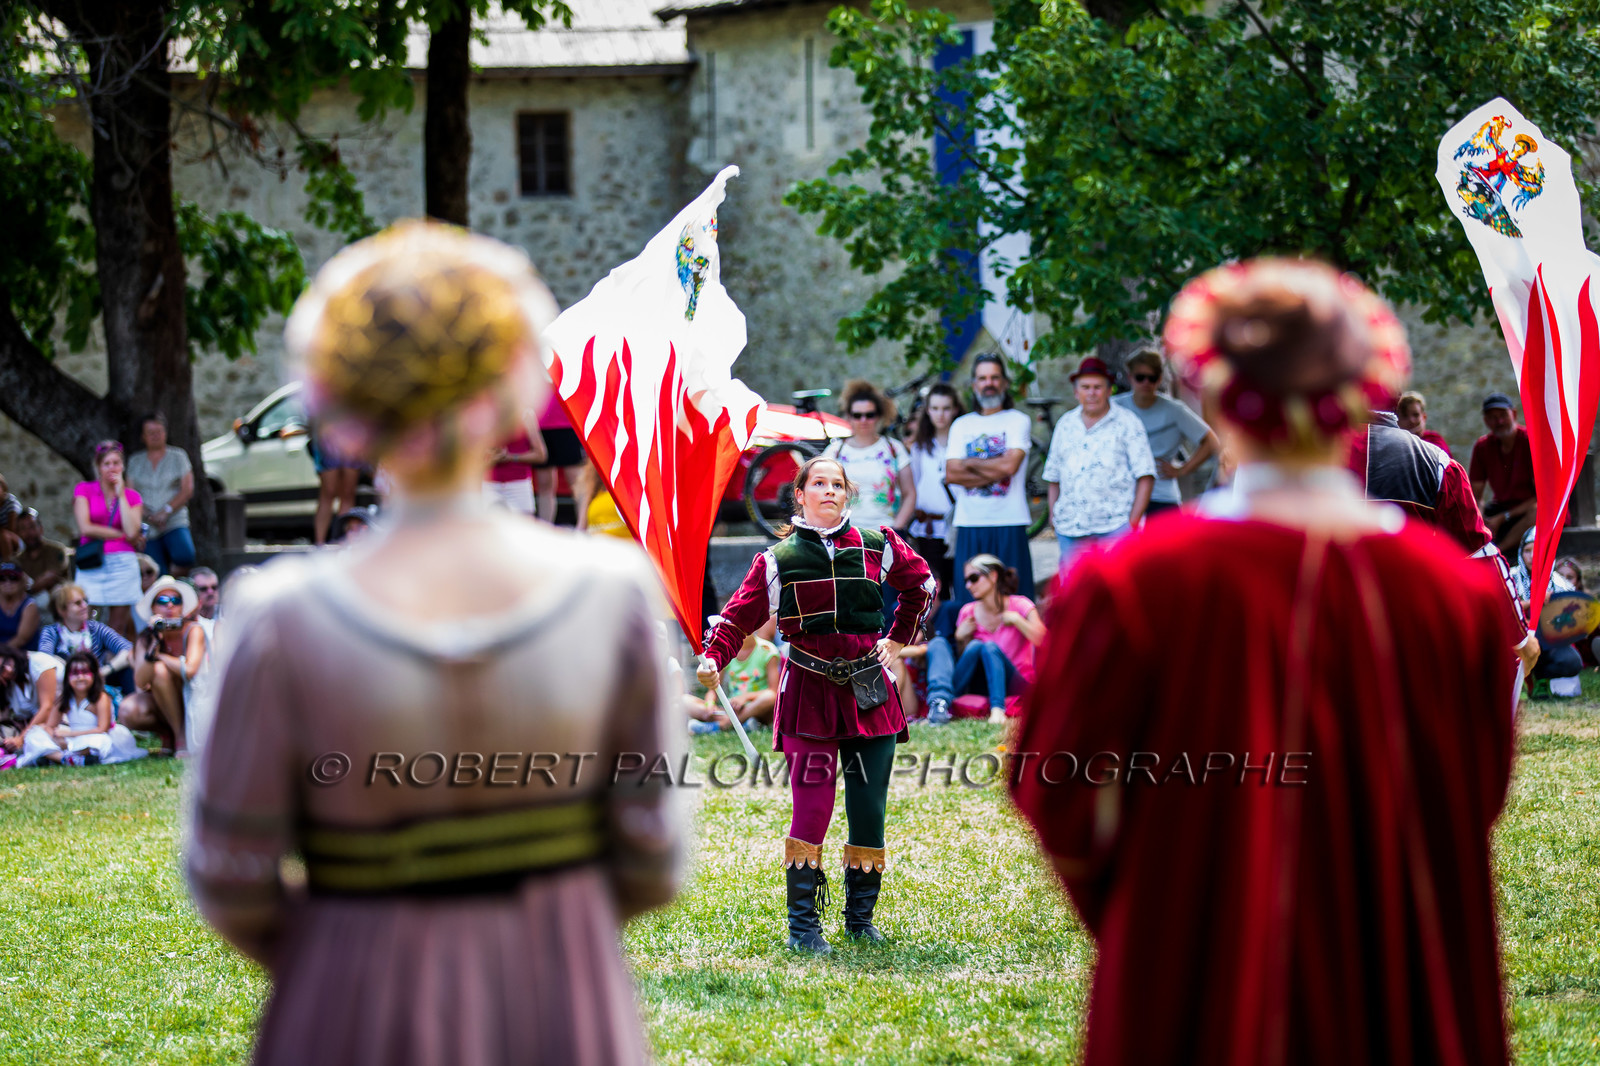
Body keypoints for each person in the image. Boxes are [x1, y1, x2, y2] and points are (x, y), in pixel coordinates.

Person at [187, 221, 682, 1066]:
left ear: (340, 405)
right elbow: (651, 860)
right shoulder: (611, 597)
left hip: (348, 1017)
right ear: (512, 389)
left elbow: (232, 875)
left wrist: (363, 944)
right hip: (561, 1009)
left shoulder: (279, 619)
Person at [1012, 258, 1518, 1066]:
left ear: (1214, 399)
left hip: (1197, 971)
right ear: (1358, 392)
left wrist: (1153, 908)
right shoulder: (1452, 597)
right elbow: (1474, 790)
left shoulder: (1130, 585)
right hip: (1397, 972)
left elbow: (1055, 784)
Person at [698, 456, 934, 953]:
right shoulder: (776, 559)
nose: (829, 491)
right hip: (808, 690)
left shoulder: (879, 544)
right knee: (812, 810)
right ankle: (803, 927)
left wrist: (897, 639)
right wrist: (713, 658)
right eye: (818, 484)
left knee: (869, 808)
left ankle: (859, 919)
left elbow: (923, 586)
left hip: (870, 690)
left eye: (837, 484)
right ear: (800, 495)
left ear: (847, 494)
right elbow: (736, 618)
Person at [1347, 404, 1537, 672]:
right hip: (1410, 634)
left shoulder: (1303, 461)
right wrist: (1520, 637)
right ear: (1398, 396)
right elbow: (1480, 556)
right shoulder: (1435, 461)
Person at [1043, 356, 1156, 572]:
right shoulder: (1065, 423)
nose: (1092, 393)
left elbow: (1146, 475)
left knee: (1118, 593)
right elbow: (1054, 476)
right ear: (1076, 392)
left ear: (1109, 390)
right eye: (1085, 387)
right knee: (1075, 595)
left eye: (1097, 387)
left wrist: (1132, 523)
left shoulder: (1128, 422)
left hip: (1114, 528)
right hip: (1070, 528)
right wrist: (1053, 514)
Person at [945, 354, 1035, 605]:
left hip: (1010, 521)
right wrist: (996, 469)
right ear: (974, 385)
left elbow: (1010, 466)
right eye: (983, 378)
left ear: (1005, 383)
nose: (989, 383)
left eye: (995, 377)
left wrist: (971, 463)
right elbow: (952, 473)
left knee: (1015, 597)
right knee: (970, 600)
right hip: (970, 522)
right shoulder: (961, 425)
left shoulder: (1018, 420)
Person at [922, 554, 1044, 725]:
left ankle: (997, 710)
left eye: (974, 578)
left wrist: (1018, 621)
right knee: (977, 646)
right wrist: (960, 639)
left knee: (989, 647)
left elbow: (1044, 642)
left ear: (993, 576)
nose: (968, 586)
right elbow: (968, 663)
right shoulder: (967, 612)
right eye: (966, 580)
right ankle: (941, 706)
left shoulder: (1020, 604)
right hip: (981, 683)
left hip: (1016, 681)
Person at [1112, 349, 1220, 516]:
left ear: (1160, 379)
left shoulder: (1174, 410)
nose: (1146, 383)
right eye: (1140, 377)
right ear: (1130, 377)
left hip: (1161, 494)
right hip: (1122, 494)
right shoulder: (1115, 407)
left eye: (1152, 378)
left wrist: (1182, 470)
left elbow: (1211, 441)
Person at [117, 576, 206, 757]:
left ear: (182, 607)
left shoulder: (193, 630)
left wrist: (161, 657)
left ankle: (180, 737)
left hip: (194, 699)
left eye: (176, 600)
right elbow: (141, 682)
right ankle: (171, 733)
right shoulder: (146, 638)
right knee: (128, 710)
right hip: (162, 702)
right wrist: (154, 643)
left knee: (159, 669)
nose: (170, 606)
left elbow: (189, 670)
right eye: (163, 601)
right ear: (153, 608)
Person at [14, 649, 145, 767]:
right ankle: (64, 758)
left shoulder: (100, 698)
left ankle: (53, 756)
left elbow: (102, 729)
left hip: (96, 736)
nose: (80, 677)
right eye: (75, 673)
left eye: (85, 672)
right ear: (67, 677)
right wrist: (50, 733)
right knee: (34, 734)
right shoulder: (64, 699)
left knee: (99, 743)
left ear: (94, 675)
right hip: (72, 739)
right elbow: (50, 726)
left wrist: (70, 734)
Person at [72, 442, 144, 642]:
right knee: (84, 615)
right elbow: (85, 527)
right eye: (107, 464)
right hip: (92, 561)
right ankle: (87, 658)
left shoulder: (132, 496)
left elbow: (131, 531)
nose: (112, 468)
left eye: (116, 463)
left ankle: (109, 663)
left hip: (122, 562)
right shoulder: (84, 489)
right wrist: (117, 534)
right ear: (98, 467)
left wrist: (121, 494)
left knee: (118, 623)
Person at [823, 380, 916, 534]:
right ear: (848, 416)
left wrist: (897, 529)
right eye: (857, 415)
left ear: (879, 416)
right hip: (844, 534)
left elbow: (910, 493)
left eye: (869, 415)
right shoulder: (834, 452)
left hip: (884, 533)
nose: (863, 420)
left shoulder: (894, 449)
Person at [907, 384, 964, 598]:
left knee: (962, 581)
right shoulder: (920, 447)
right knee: (936, 585)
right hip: (930, 527)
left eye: (946, 408)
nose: (941, 415)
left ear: (956, 409)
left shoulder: (963, 443)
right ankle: (938, 630)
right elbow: (914, 485)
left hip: (960, 524)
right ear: (928, 410)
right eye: (935, 408)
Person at [1513, 527, 1583, 696]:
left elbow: (1571, 619)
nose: (1531, 556)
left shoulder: (1560, 583)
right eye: (1527, 551)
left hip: (1549, 641)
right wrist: (1533, 602)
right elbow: (1502, 609)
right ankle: (1518, 685)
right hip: (1516, 639)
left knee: (1571, 661)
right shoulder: (1510, 576)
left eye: (1536, 550)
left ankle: (1542, 680)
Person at [126, 411, 196, 577]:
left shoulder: (178, 457)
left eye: (159, 431)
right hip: (147, 523)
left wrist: (166, 511)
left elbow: (187, 489)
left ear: (165, 432)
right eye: (151, 433)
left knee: (185, 555)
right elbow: (130, 493)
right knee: (156, 569)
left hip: (174, 518)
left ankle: (178, 582)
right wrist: (150, 515)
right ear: (143, 436)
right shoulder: (135, 461)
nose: (155, 436)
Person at [1469, 391, 1537, 554]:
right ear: (1486, 421)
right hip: (1501, 509)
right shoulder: (1483, 446)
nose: (1498, 421)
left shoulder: (1530, 441)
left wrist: (1503, 517)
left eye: (1502, 415)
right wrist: (1481, 517)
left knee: (1537, 512)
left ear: (1513, 414)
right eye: (1492, 417)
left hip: (1527, 510)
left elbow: (1543, 497)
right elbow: (1475, 495)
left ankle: (1498, 554)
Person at [686, 616, 779, 734]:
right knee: (685, 700)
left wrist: (745, 697)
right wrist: (710, 703)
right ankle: (743, 724)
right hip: (734, 710)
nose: (742, 630)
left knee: (769, 698)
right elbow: (713, 689)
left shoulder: (767, 650)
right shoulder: (727, 651)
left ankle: (721, 725)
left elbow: (772, 692)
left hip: (757, 708)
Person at [37, 583, 134, 683]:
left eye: (85, 601)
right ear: (62, 610)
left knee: (128, 670)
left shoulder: (96, 628)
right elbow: (44, 661)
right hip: (64, 686)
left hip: (96, 684)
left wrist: (104, 671)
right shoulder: (51, 632)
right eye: (78, 603)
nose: (85, 606)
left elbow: (129, 649)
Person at [533, 391, 587, 525]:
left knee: (576, 482)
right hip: (540, 424)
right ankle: (545, 530)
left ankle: (582, 527)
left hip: (567, 424)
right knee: (545, 483)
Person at [0, 646, 63, 758]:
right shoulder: (10, 685)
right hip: (29, 728)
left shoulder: (39, 662)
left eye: (7, 662)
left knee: (36, 738)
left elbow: (47, 707)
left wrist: (21, 739)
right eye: (1, 670)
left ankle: (58, 758)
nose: (8, 669)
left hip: (60, 723)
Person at [483, 417, 547, 515]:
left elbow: (541, 455)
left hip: (519, 486)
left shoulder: (525, 415)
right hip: (490, 486)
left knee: (524, 529)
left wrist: (510, 457)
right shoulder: (484, 412)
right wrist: (490, 459)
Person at [12, 509, 69, 609]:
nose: (28, 533)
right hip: (27, 606)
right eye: (23, 529)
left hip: (55, 606)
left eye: (32, 527)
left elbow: (50, 577)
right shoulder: (18, 560)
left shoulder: (56, 550)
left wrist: (28, 590)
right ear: (19, 533)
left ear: (41, 528)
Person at [0, 562, 40, 651]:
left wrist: (2, 654)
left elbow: (21, 640)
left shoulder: (29, 606)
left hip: (21, 657)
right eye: (2, 578)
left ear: (22, 581)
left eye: (13, 578)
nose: (8, 583)